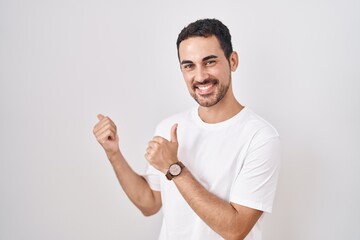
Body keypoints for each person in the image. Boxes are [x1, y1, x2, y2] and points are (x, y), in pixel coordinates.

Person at [93, 18, 281, 240]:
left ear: (233, 61)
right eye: (189, 65)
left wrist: (174, 167)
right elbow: (150, 204)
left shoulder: (260, 137)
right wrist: (113, 152)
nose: (200, 76)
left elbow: (235, 229)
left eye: (210, 62)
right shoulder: (169, 127)